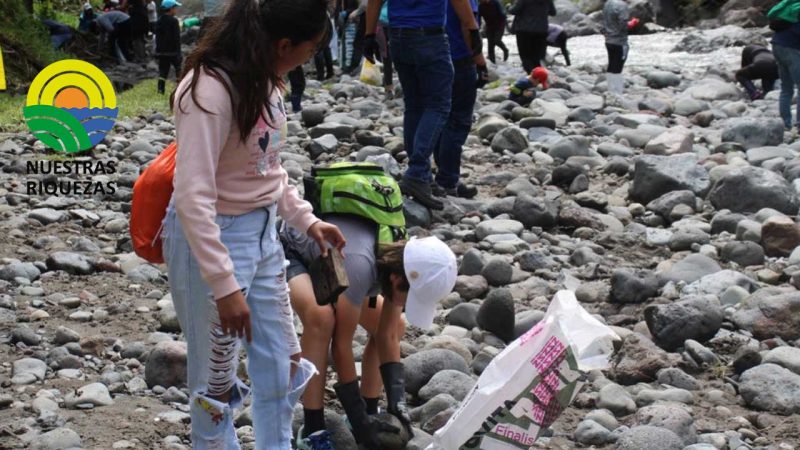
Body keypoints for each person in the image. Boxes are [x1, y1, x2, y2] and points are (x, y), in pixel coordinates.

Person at [162, 0, 346, 447]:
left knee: (283, 365)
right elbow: (192, 195)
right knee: (214, 387)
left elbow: (266, 168)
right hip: (215, 239)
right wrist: (223, 285)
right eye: (312, 48)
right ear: (285, 44)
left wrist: (306, 221)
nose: (312, 55)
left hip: (264, 239)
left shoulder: (266, 82)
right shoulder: (208, 91)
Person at [283, 219, 457, 449]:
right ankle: (314, 430)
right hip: (293, 250)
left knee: (397, 326)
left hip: (336, 266)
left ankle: (370, 409)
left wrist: (398, 404)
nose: (407, 306)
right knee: (321, 318)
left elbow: (388, 335)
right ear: (396, 281)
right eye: (411, 299)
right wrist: (356, 414)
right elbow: (341, 346)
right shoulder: (361, 265)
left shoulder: (401, 261)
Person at [363, 0, 483, 210]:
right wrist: (473, 29)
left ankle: (422, 176)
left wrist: (369, 34)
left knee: (414, 106)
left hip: (398, 36)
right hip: (429, 35)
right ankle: (417, 173)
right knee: (438, 106)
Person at [432, 0, 486, 199]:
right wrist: (480, 62)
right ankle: (448, 180)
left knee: (439, 116)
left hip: (435, 56)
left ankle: (441, 175)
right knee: (458, 120)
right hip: (460, 58)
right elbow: (467, 25)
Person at [508, 0, 556, 73]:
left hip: (524, 30)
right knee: (537, 57)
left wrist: (508, 6)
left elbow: (514, 10)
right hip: (541, 30)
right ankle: (538, 77)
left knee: (526, 57)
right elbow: (553, 12)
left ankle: (531, 77)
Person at [771, 19, 800, 129]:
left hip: (777, 46)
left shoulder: (789, 15)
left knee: (786, 88)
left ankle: (785, 124)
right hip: (790, 49)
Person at [603, 0, 630, 94]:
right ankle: (617, 93)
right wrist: (631, 24)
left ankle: (610, 90)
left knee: (611, 65)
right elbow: (624, 24)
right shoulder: (622, 5)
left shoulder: (608, 3)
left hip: (608, 41)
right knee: (618, 68)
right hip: (620, 42)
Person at [155, 0, 182, 95]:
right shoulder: (174, 21)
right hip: (173, 52)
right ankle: (180, 89)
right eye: (175, 8)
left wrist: (158, 52)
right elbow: (177, 38)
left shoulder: (159, 21)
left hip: (162, 53)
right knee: (179, 70)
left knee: (162, 72)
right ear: (171, 9)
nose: (176, 10)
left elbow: (157, 38)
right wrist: (179, 53)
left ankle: (160, 90)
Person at [479, 0, 509, 64]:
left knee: (497, 40)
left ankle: (505, 50)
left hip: (499, 25)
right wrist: (477, 26)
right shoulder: (481, 6)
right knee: (490, 45)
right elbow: (478, 17)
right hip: (489, 26)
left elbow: (502, 14)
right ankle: (493, 63)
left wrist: (504, 18)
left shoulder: (495, 2)